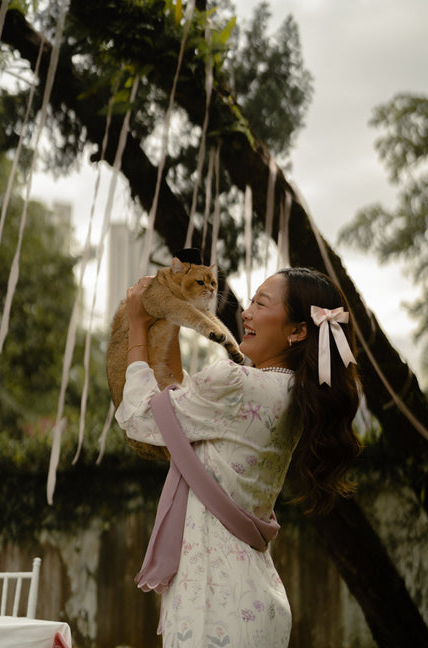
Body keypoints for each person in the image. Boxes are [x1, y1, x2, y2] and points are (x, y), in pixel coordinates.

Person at [115, 265, 362, 648]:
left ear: (297, 331)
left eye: (261, 304)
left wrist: (136, 326)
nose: (245, 313)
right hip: (254, 601)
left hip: (213, 606)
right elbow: (187, 407)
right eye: (250, 302)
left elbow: (139, 417)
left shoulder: (235, 384)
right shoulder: (296, 395)